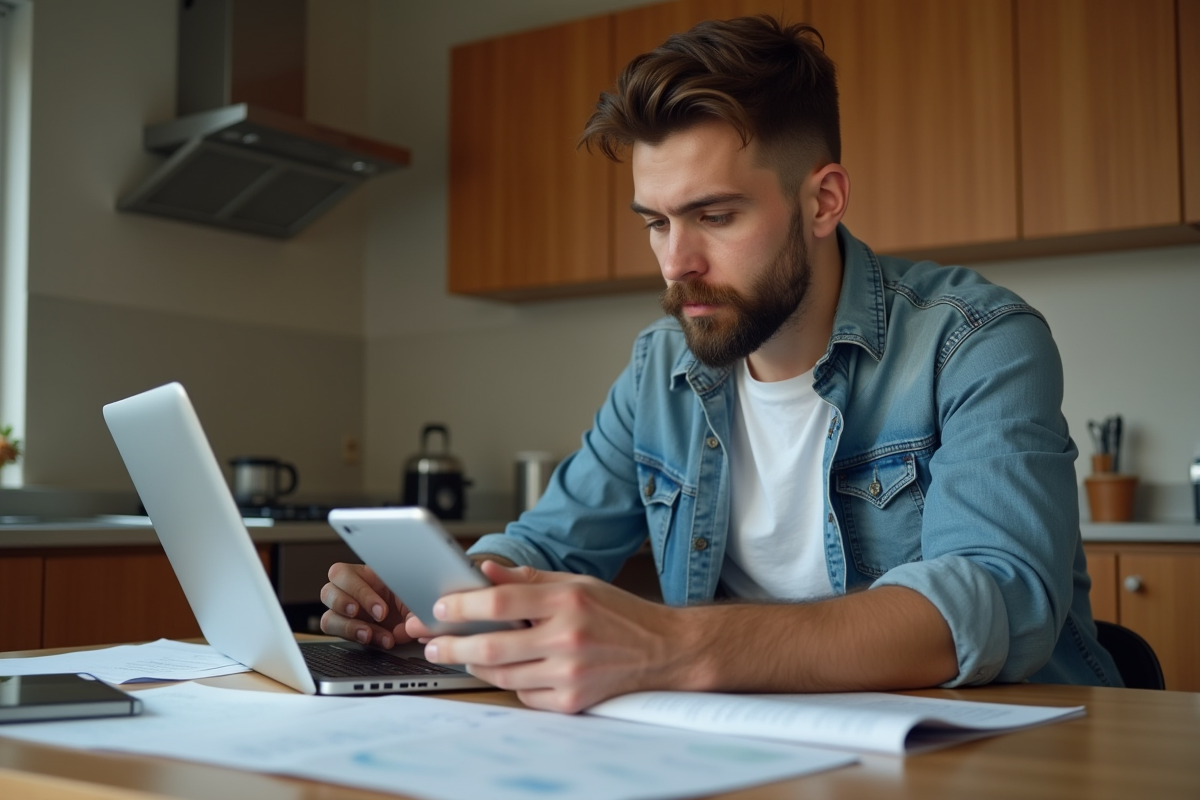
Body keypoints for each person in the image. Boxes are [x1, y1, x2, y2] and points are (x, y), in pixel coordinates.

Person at [321, 16, 1121, 713]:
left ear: (822, 201)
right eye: (656, 223)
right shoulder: (660, 368)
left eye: (714, 216)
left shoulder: (976, 341)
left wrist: (676, 643)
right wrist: (445, 596)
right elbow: (549, 550)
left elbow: (995, 599)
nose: (677, 262)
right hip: (754, 750)